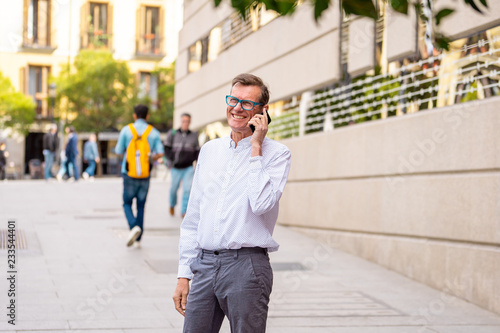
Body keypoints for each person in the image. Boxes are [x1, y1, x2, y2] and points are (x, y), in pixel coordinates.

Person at [172, 73, 292, 332]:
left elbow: (261, 204)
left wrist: (256, 148)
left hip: (246, 267)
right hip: (203, 265)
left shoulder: (278, 154)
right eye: (233, 100)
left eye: (247, 103)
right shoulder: (210, 150)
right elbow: (193, 217)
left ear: (263, 111)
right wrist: (184, 274)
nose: (237, 108)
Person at [115, 104, 164, 248]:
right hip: (145, 174)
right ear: (147, 116)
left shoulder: (126, 130)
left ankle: (133, 226)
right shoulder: (153, 132)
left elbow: (118, 150)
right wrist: (149, 158)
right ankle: (138, 237)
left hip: (128, 173)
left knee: (127, 203)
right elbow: (160, 153)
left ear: (134, 115)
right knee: (141, 206)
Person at [164, 113, 200, 218]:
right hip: (175, 167)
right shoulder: (173, 133)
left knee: (187, 189)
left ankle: (184, 211)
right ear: (181, 122)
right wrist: (171, 160)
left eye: (187, 121)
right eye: (184, 121)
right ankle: (172, 204)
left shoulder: (194, 136)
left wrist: (197, 164)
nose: (186, 123)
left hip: (188, 167)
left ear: (190, 122)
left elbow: (197, 151)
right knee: (173, 189)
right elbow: (166, 148)